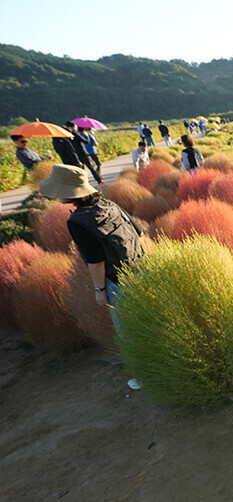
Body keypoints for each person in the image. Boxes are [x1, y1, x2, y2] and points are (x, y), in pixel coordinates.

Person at [39, 164, 145, 390]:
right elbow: (138, 231)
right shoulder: (109, 203)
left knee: (127, 330)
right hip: (142, 269)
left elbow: (95, 261)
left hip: (118, 280)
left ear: (68, 193)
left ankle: (144, 376)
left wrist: (99, 291)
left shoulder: (78, 221)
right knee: (147, 319)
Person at [53, 122, 102, 186]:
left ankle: (86, 184)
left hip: (76, 157)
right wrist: (87, 136)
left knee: (82, 172)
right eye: (75, 127)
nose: (76, 128)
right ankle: (100, 182)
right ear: (71, 127)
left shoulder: (65, 137)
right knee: (92, 168)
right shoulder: (75, 135)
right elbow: (86, 141)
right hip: (83, 154)